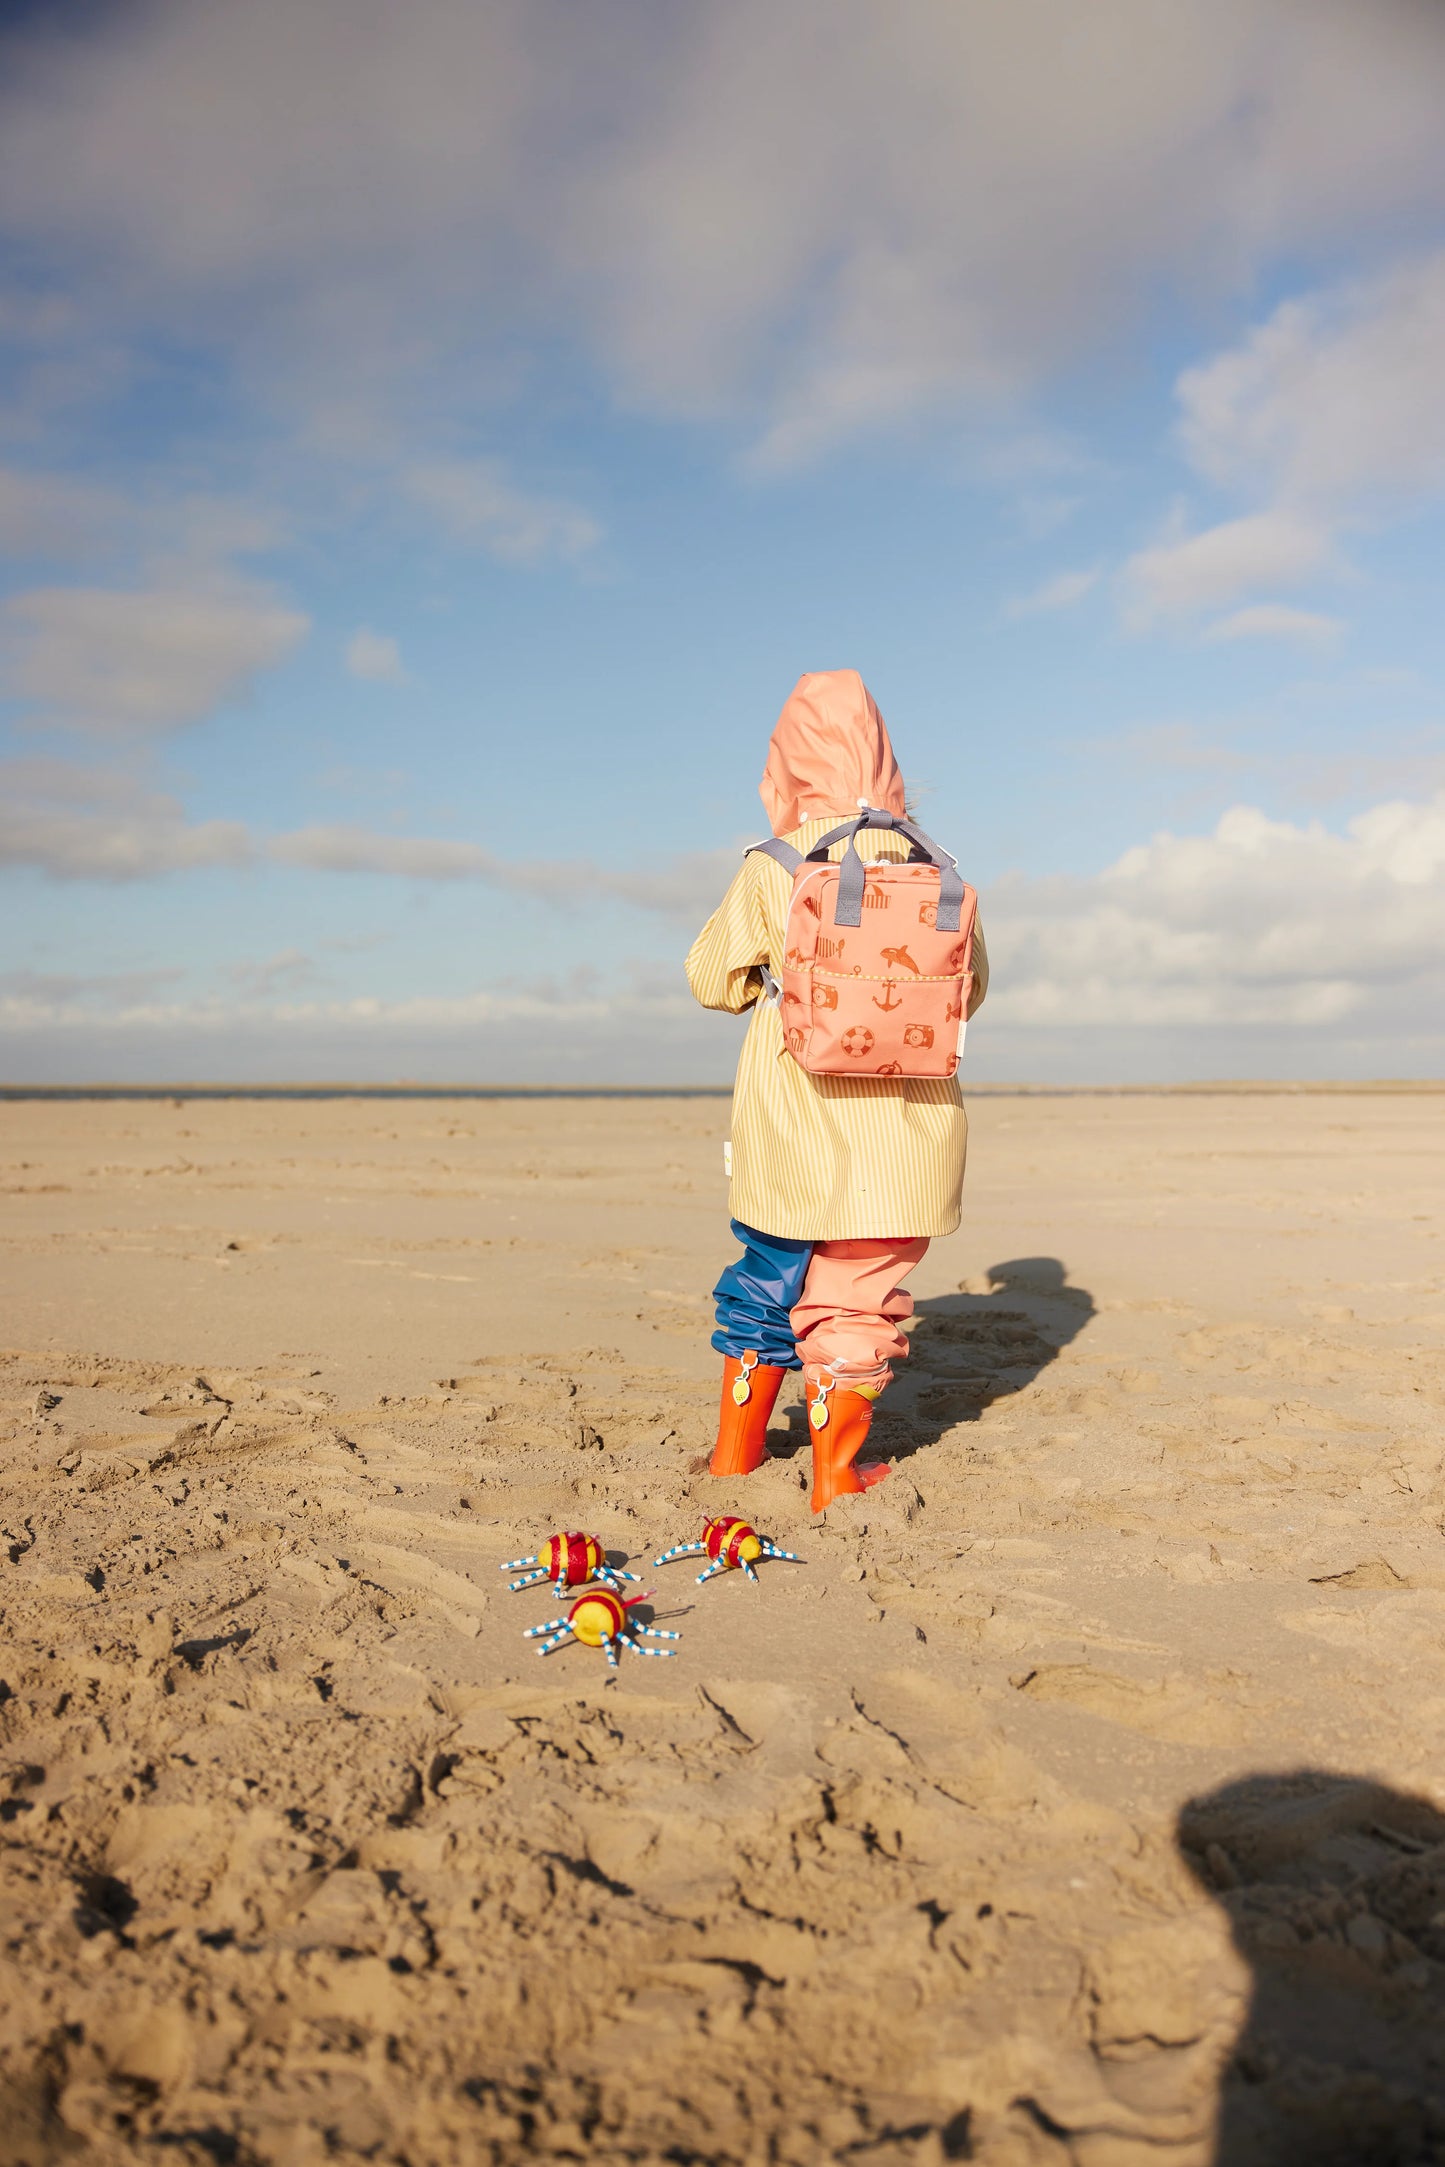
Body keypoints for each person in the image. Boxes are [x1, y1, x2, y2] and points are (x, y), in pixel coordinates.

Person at [685, 669, 989, 1512]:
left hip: (791, 1120)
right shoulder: (937, 866)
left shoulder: (774, 863)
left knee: (764, 1276)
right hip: (908, 1128)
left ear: (785, 762)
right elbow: (971, 987)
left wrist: (773, 988)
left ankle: (733, 1457)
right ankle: (834, 1472)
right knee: (859, 1295)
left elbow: (709, 979)